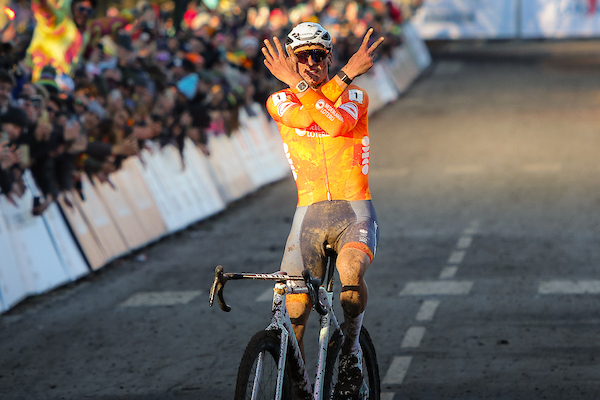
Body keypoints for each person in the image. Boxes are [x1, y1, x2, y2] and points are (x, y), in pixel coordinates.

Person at [262, 22, 384, 399]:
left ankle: (349, 354)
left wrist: (342, 78)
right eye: (302, 57)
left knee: (350, 275)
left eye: (319, 55)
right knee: (295, 307)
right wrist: (342, 73)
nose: (311, 63)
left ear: (329, 57)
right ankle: (296, 385)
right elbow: (304, 116)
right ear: (293, 62)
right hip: (308, 215)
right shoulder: (279, 100)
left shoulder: (357, 96)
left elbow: (334, 124)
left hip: (353, 209)